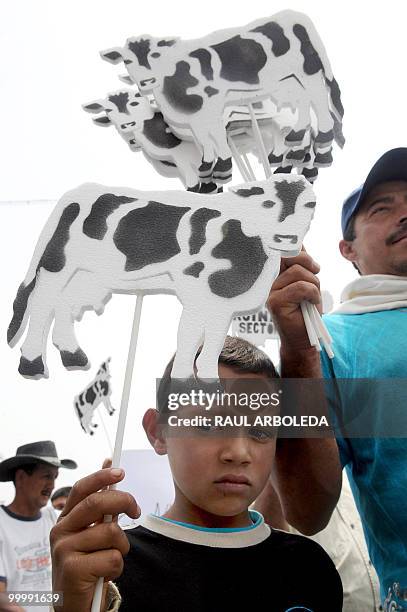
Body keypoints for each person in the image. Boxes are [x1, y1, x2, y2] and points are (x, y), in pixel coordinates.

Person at [51, 337, 343, 612]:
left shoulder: (308, 566)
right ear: (158, 431)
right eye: (208, 424)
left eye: (260, 430)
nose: (239, 452)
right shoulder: (109, 567)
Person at [264, 147, 407, 609]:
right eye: (382, 208)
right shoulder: (330, 343)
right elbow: (307, 510)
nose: (404, 214)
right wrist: (297, 352)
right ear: (347, 249)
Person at [0, 441, 77, 610]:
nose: (52, 485)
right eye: (46, 476)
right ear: (20, 477)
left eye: (55, 477)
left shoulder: (52, 517)